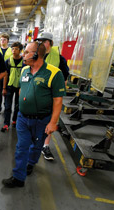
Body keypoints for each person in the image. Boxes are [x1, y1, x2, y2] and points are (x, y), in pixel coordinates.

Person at [2, 41, 65, 188]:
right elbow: (21, 89)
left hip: (42, 120)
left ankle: (31, 163)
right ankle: (18, 177)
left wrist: (53, 122)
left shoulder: (54, 73)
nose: (23, 54)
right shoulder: (25, 70)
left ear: (37, 55)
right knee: (21, 147)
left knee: (36, 147)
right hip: (23, 118)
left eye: (27, 52)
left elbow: (57, 100)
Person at [36, 32, 69, 161]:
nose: (39, 44)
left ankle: (45, 145)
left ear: (48, 43)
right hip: (36, 93)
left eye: (41, 42)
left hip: (50, 95)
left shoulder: (59, 59)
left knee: (48, 120)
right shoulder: (35, 55)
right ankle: (34, 143)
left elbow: (65, 77)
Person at [1, 42, 24, 132]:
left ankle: (14, 120)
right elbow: (5, 75)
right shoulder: (8, 61)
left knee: (18, 106)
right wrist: (4, 88)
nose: (14, 51)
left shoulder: (24, 62)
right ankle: (6, 123)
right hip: (9, 86)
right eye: (12, 49)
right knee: (7, 106)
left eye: (16, 49)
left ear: (20, 50)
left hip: (19, 87)